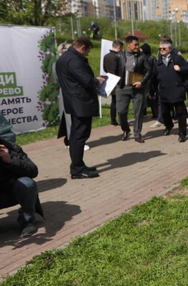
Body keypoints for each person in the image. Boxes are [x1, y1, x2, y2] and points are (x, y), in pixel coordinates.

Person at [55, 37, 106, 179]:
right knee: (79, 136)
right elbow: (86, 80)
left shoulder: (65, 57)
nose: (87, 55)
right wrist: (97, 81)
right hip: (81, 103)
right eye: (87, 52)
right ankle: (77, 169)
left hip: (74, 101)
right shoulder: (75, 60)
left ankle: (79, 164)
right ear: (82, 48)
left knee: (77, 135)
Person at [0, 136, 42, 237]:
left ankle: (27, 220)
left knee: (27, 184)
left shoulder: (9, 147)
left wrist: (9, 161)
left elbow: (33, 170)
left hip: (9, 192)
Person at [114, 35, 153, 143]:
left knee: (139, 112)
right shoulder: (119, 56)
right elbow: (114, 70)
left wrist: (142, 82)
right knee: (121, 111)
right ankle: (126, 129)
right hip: (122, 87)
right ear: (128, 44)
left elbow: (149, 71)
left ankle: (137, 133)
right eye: (135, 44)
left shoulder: (142, 56)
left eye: (138, 44)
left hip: (138, 88)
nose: (137, 47)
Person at [154, 39, 188, 142]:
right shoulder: (158, 62)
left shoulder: (177, 59)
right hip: (164, 91)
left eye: (164, 48)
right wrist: (153, 90)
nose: (162, 50)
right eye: (160, 48)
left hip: (177, 89)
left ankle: (182, 133)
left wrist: (180, 69)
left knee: (181, 113)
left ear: (170, 49)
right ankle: (169, 126)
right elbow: (154, 77)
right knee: (165, 112)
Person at [103, 40, 123, 125]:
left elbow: (104, 68)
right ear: (119, 47)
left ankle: (113, 120)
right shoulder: (119, 56)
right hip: (118, 81)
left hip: (110, 81)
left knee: (113, 101)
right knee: (120, 102)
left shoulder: (106, 56)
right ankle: (122, 120)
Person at [141, 43, 159, 119]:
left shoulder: (151, 58)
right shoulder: (151, 58)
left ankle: (156, 114)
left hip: (149, 81)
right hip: (146, 80)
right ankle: (147, 113)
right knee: (147, 98)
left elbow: (155, 70)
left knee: (151, 98)